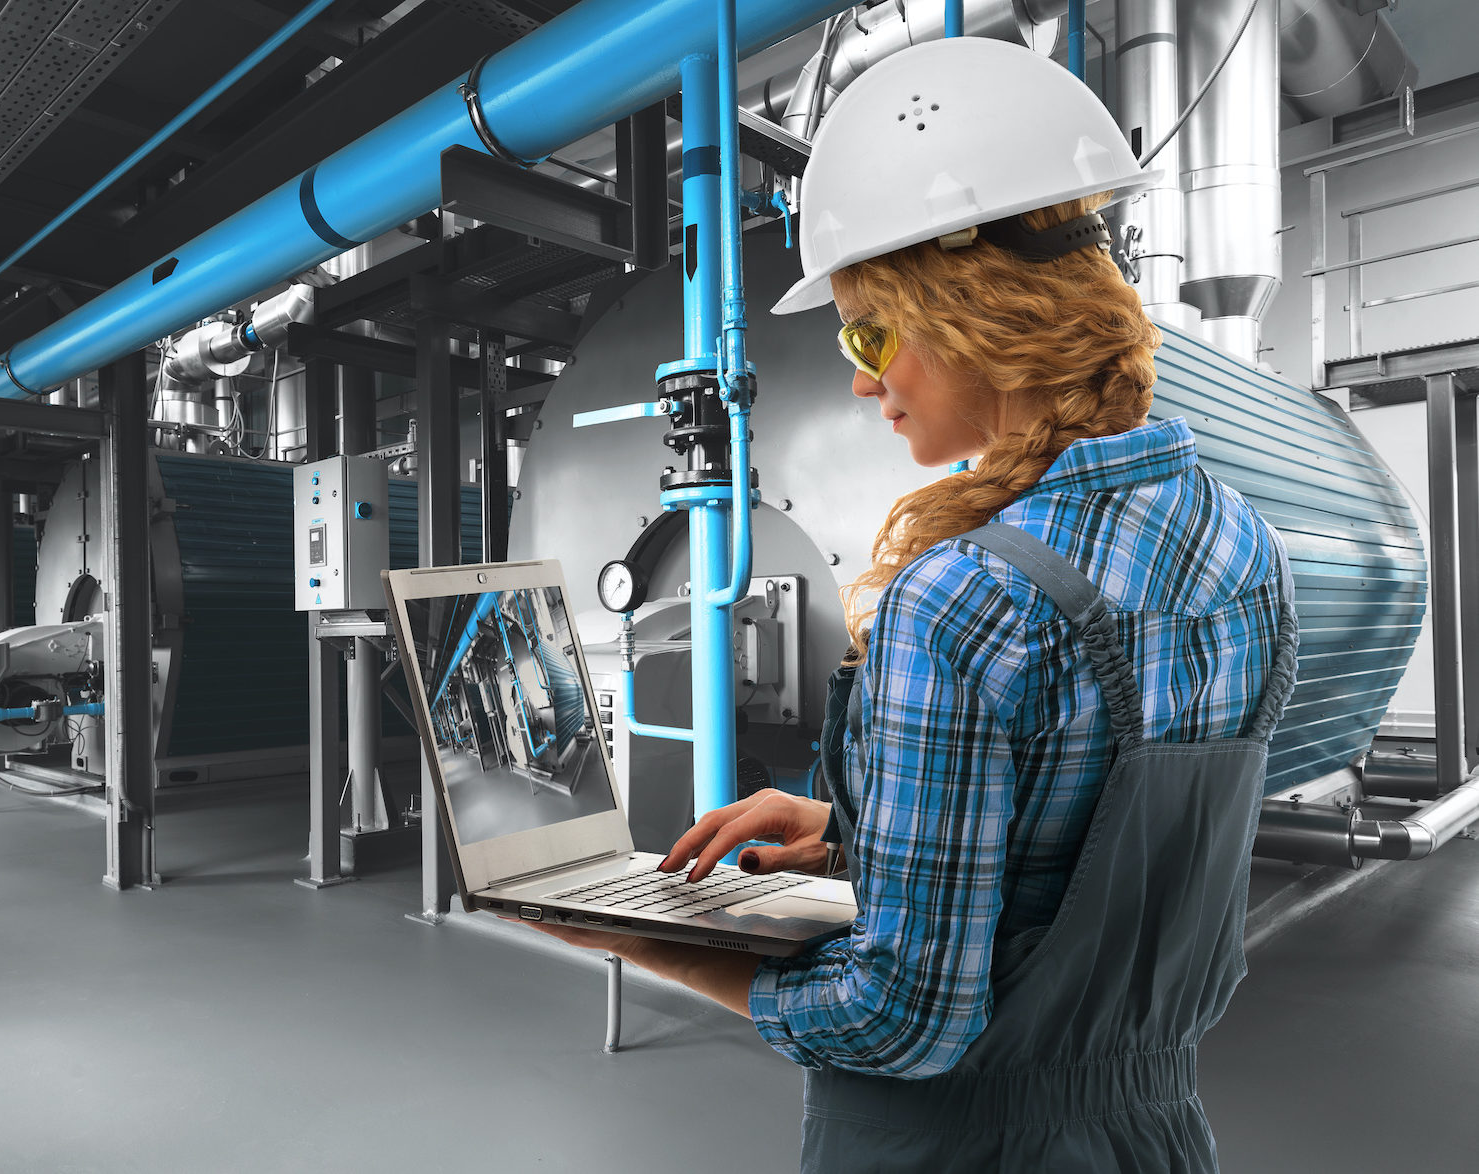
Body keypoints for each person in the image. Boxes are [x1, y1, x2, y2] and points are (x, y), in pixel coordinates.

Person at [529, 36, 1297, 1172]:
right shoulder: (1247, 543)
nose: (858, 376)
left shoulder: (964, 597)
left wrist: (654, 941)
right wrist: (857, 835)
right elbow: (1091, 843)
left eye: (869, 331)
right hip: (1152, 1136)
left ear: (977, 308)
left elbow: (904, 1017)